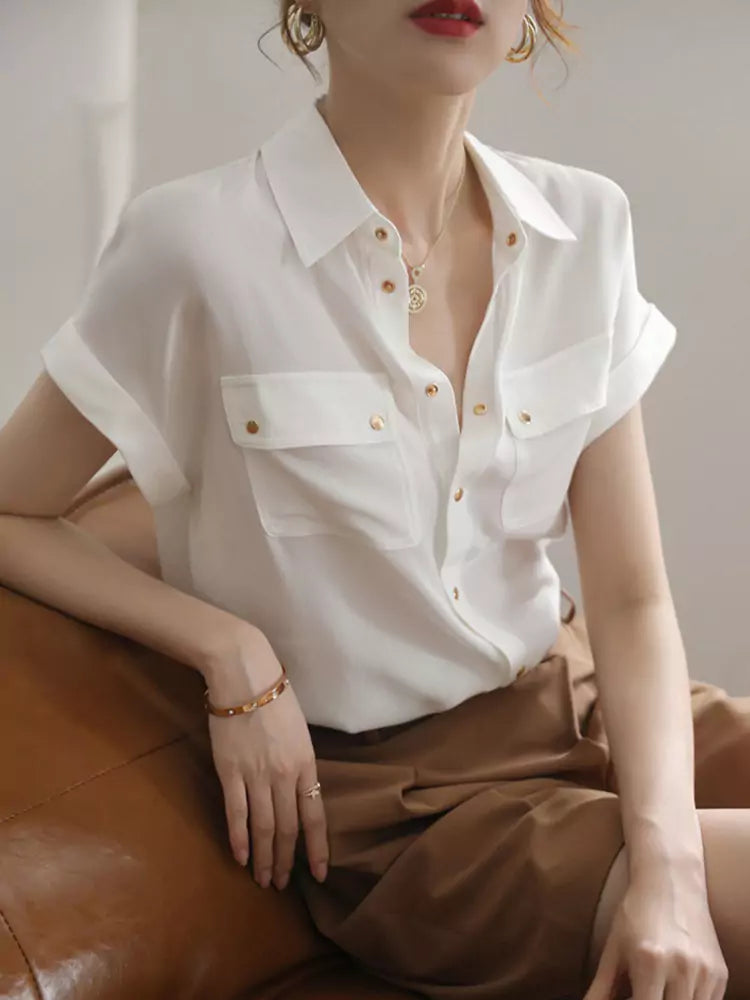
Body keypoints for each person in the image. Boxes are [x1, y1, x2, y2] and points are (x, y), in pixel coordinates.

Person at [0, 1, 748, 997]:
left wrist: (672, 870)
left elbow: (632, 598)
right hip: (409, 807)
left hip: (582, 699)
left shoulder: (585, 226)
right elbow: (9, 509)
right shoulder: (195, 246)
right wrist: (230, 651)